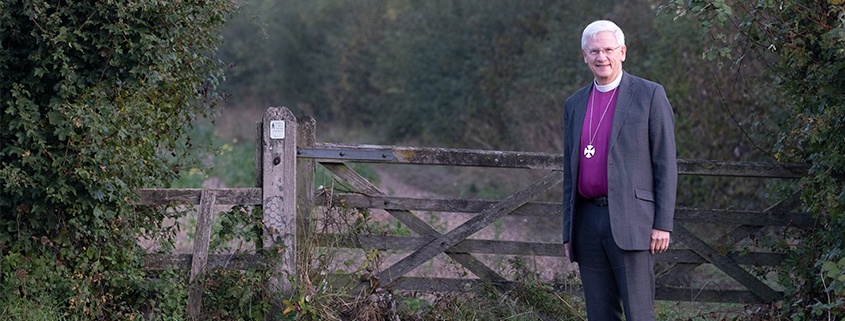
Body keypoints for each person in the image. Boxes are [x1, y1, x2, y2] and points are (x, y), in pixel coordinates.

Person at [561, 20, 678, 320]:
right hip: (587, 222)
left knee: (639, 313)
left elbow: (665, 162)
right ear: (584, 56)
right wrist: (567, 232)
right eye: (594, 51)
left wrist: (662, 223)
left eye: (609, 50)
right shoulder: (574, 104)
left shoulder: (649, 95)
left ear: (623, 52)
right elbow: (569, 174)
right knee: (599, 313)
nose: (602, 57)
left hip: (633, 221)